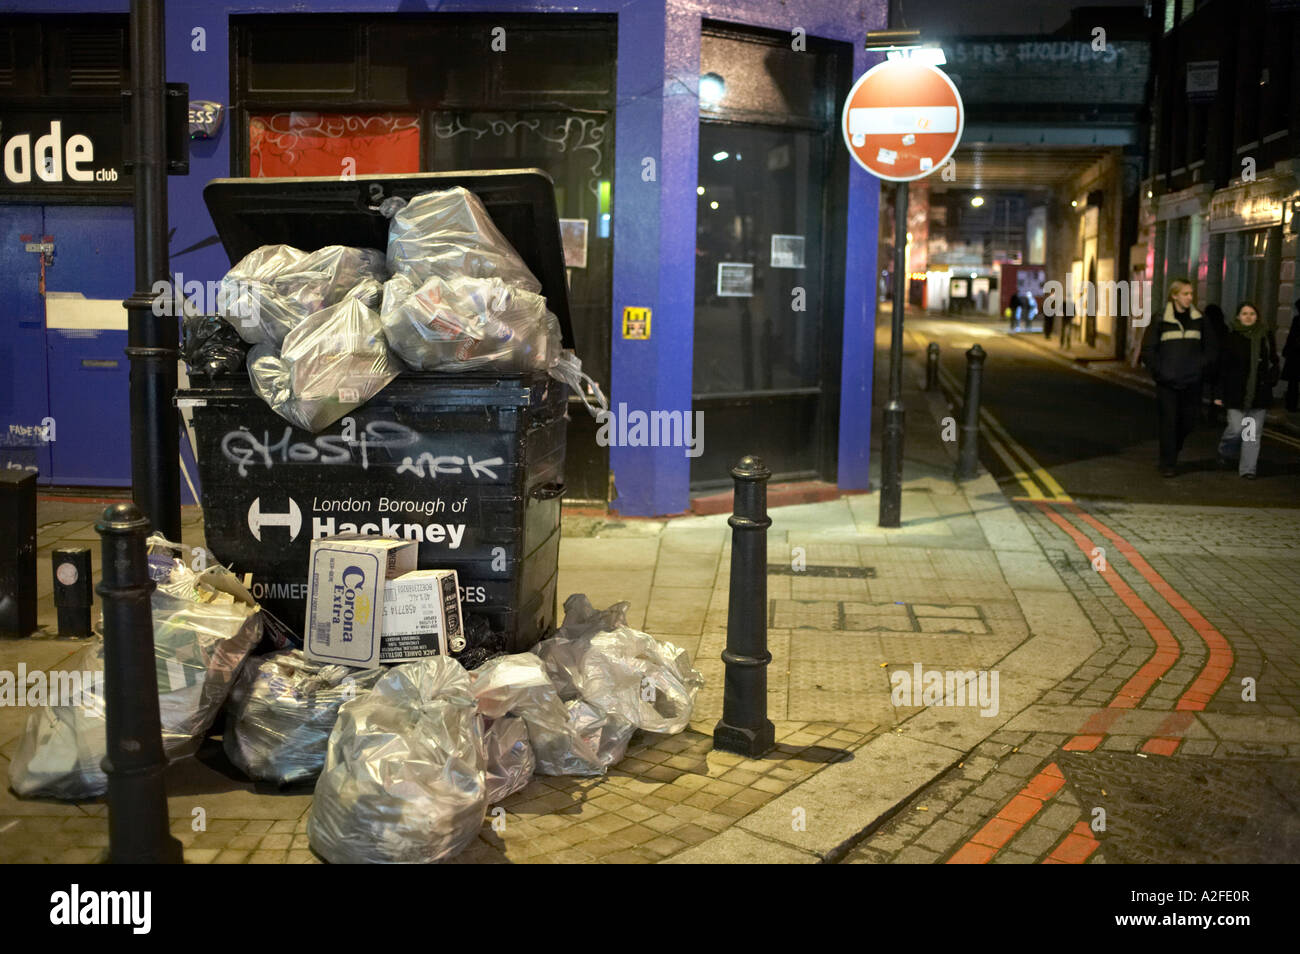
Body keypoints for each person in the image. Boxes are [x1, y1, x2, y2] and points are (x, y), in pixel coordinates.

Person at [1140, 278, 1216, 477]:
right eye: (1186, 293)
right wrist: (1160, 372)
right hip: (1168, 383)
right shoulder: (1160, 319)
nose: (1190, 297)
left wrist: (1200, 368)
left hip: (1192, 382)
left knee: (1189, 422)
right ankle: (1168, 464)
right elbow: (1148, 349)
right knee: (1169, 422)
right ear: (1174, 295)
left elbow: (1210, 349)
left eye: (1191, 294)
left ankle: (1173, 449)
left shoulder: (1200, 319)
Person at [1214, 302, 1279, 479]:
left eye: (1252, 313)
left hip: (1258, 393)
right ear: (1238, 317)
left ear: (1257, 316)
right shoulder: (1231, 337)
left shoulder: (1265, 336)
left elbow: (1273, 360)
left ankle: (1248, 470)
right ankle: (1225, 452)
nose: (1248, 316)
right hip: (1235, 393)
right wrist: (1219, 393)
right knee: (1236, 429)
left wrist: (1271, 379)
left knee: (1250, 434)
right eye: (1244, 313)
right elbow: (1223, 367)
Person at [1282, 299, 1300, 413]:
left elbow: (1291, 337)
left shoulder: (1297, 320)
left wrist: (1286, 350)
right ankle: (1291, 404)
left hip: (1295, 355)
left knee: (1293, 382)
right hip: (1296, 354)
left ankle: (1291, 404)